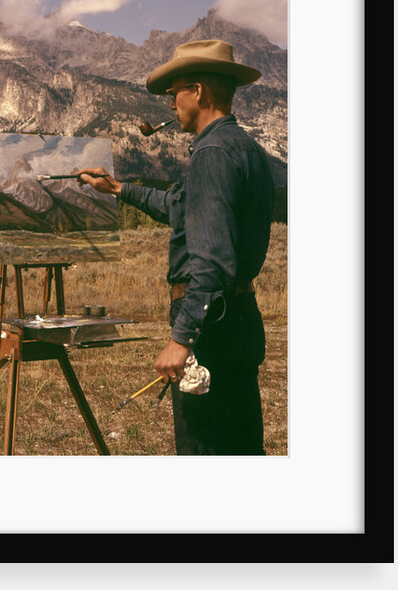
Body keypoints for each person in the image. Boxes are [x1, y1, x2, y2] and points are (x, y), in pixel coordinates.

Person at [77, 38, 275, 455]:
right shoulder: (244, 149)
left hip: (212, 331)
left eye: (174, 93)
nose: (170, 105)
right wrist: (117, 188)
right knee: (241, 450)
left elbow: (212, 262)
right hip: (238, 321)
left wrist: (182, 338)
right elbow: (179, 206)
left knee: (204, 452)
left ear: (198, 91)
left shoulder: (213, 153)